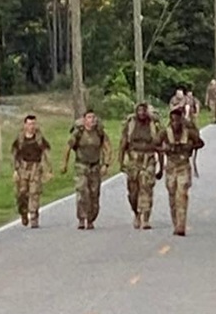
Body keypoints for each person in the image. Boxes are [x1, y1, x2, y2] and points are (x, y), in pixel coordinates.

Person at [157, 101, 204, 236]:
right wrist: (164, 149)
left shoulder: (188, 132)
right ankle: (175, 221)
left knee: (181, 194)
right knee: (172, 194)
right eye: (173, 120)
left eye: (178, 119)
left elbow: (200, 143)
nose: (176, 123)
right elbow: (154, 145)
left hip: (183, 165)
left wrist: (190, 146)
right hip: (171, 166)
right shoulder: (165, 133)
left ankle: (181, 225)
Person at [62, 110, 112, 230]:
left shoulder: (99, 133)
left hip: (95, 166)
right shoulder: (78, 133)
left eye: (93, 117)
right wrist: (64, 164)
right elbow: (68, 148)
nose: (92, 120)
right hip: (81, 165)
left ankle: (90, 219)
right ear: (84, 120)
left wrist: (106, 164)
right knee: (82, 191)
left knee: (94, 194)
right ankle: (81, 218)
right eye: (89, 117)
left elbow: (107, 148)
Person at [119, 102, 158, 230]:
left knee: (146, 188)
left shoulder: (153, 125)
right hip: (133, 161)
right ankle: (136, 213)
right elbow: (123, 144)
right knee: (133, 191)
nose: (141, 113)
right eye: (139, 111)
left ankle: (145, 218)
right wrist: (121, 162)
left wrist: (161, 167)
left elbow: (159, 145)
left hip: (148, 160)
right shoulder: (131, 124)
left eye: (144, 111)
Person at [11, 114, 51, 228]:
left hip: (36, 168)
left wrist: (48, 169)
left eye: (33, 124)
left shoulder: (39, 139)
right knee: (22, 194)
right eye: (29, 124)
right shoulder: (20, 139)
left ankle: (34, 217)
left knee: (34, 193)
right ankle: (23, 213)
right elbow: (14, 156)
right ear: (25, 125)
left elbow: (46, 153)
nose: (31, 126)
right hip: (22, 168)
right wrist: (15, 170)